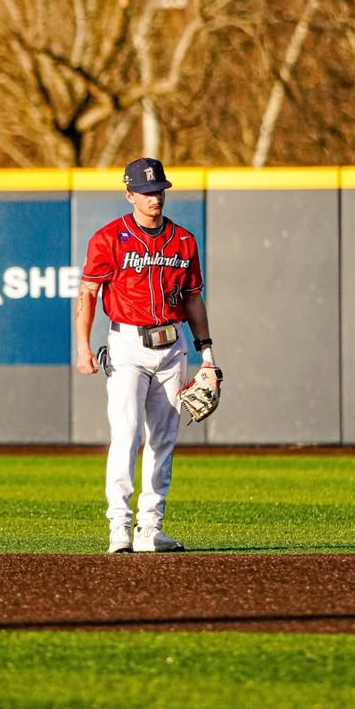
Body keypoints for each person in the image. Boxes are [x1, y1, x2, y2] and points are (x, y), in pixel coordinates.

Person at [75, 157, 217, 553]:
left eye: (160, 191)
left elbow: (193, 298)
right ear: (130, 194)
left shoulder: (184, 241)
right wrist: (84, 347)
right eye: (147, 192)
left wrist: (207, 353)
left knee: (164, 439)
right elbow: (87, 292)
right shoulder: (108, 238)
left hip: (172, 347)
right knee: (127, 434)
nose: (155, 198)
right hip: (127, 345)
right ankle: (118, 525)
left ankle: (149, 528)